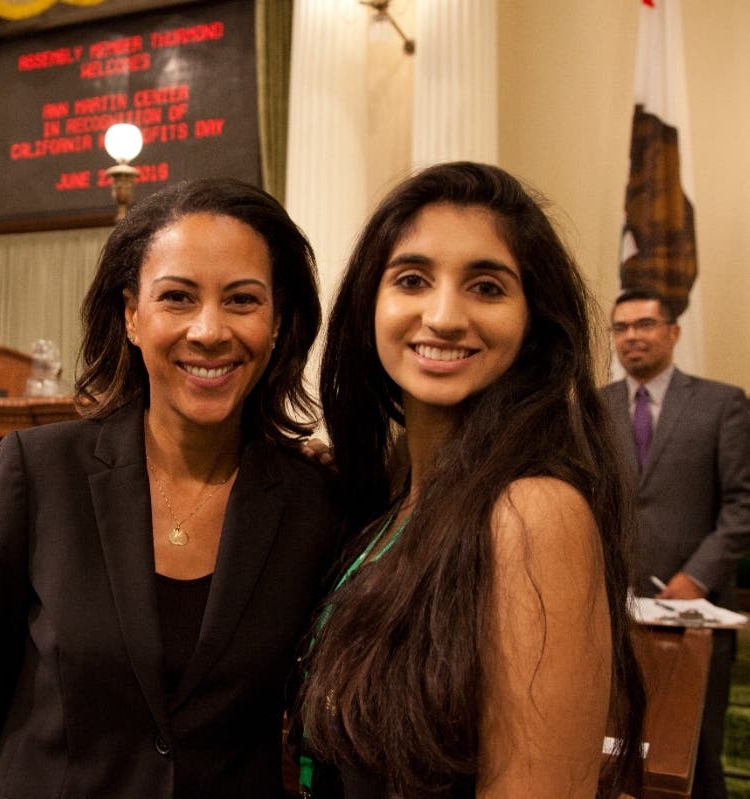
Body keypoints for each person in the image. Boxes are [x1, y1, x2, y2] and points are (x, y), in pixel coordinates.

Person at [0, 178, 341, 799]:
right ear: (131, 316)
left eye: (241, 300)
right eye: (177, 298)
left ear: (278, 321)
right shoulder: (37, 472)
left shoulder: (315, 502)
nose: (209, 331)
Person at [297, 162, 645, 798]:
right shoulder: (396, 491)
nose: (445, 316)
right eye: (412, 279)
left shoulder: (534, 511)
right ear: (370, 303)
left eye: (486, 287)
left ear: (533, 318)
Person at [602, 287, 750, 799]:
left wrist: (697, 577)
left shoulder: (722, 403)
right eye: (620, 328)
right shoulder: (593, 408)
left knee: (696, 756)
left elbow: (743, 506)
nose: (631, 337)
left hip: (695, 617)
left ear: (673, 332)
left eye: (643, 324)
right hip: (612, 613)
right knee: (617, 752)